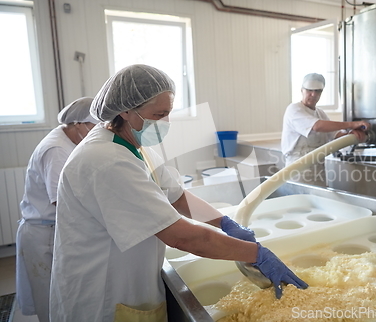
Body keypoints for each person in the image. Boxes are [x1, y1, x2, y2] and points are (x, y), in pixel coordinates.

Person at [49, 64, 307, 322]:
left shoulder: (132, 143)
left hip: (129, 278)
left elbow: (175, 195)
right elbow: (183, 238)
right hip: (102, 293)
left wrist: (224, 223)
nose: (165, 123)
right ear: (126, 110)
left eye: (169, 113)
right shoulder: (106, 160)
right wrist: (256, 255)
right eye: (159, 114)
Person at [16, 97, 98, 322]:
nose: (98, 132)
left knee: (62, 297)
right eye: (95, 126)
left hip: (53, 229)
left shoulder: (69, 139)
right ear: (79, 124)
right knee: (50, 302)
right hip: (44, 234)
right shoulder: (57, 149)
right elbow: (60, 201)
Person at [281, 73, 370, 185]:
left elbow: (335, 135)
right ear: (302, 90)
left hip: (318, 170)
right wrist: (352, 125)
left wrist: (354, 135)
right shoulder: (294, 109)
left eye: (318, 91)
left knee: (319, 201)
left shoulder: (320, 113)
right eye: (309, 90)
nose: (313, 94)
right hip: (298, 170)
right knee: (300, 200)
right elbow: (317, 126)